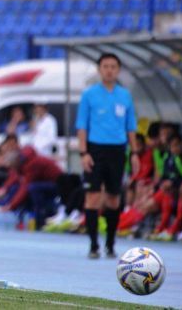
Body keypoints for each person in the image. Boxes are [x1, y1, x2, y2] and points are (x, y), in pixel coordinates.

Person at [76, 53, 139, 259]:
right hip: (95, 150)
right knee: (93, 197)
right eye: (105, 66)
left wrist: (135, 153)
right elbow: (82, 126)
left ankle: (110, 244)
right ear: (99, 69)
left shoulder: (125, 95)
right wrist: (84, 152)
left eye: (113, 66)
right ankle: (93, 245)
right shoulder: (89, 95)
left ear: (118, 70)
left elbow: (131, 127)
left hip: (118, 150)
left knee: (113, 198)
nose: (109, 70)